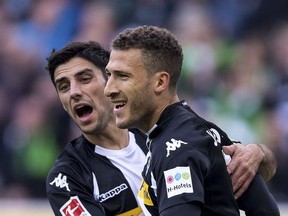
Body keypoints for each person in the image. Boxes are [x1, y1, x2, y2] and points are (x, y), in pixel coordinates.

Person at [46, 41, 276, 216]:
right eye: (63, 86)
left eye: (84, 79)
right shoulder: (66, 177)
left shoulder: (163, 129)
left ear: (111, 81)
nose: (73, 92)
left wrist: (258, 153)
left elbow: (256, 169)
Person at [104, 25, 280, 215]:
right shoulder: (198, 131)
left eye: (122, 76)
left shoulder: (176, 149)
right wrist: (261, 153)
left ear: (160, 82)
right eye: (109, 75)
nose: (109, 89)